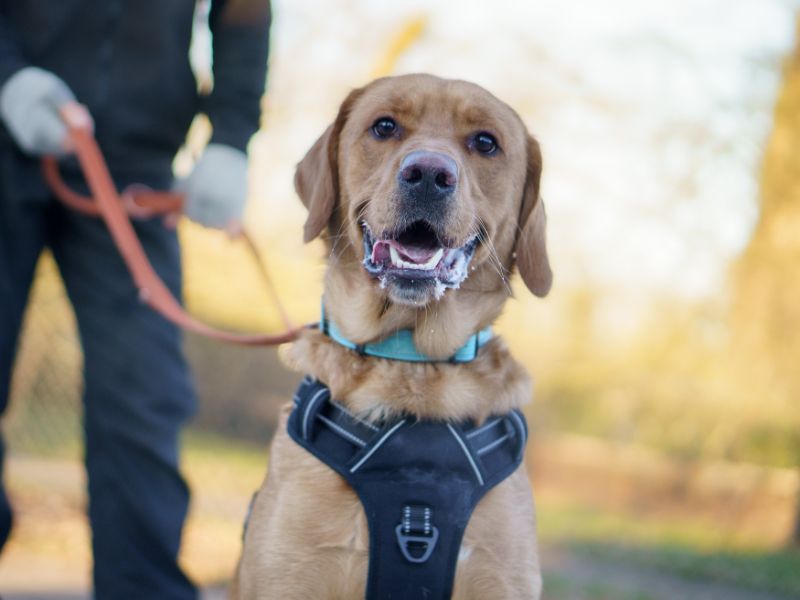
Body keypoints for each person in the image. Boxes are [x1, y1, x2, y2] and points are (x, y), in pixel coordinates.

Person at [0, 1, 271, 597]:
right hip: (7, 120)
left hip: (135, 165)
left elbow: (245, 11)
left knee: (143, 398)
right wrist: (8, 75)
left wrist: (230, 136)